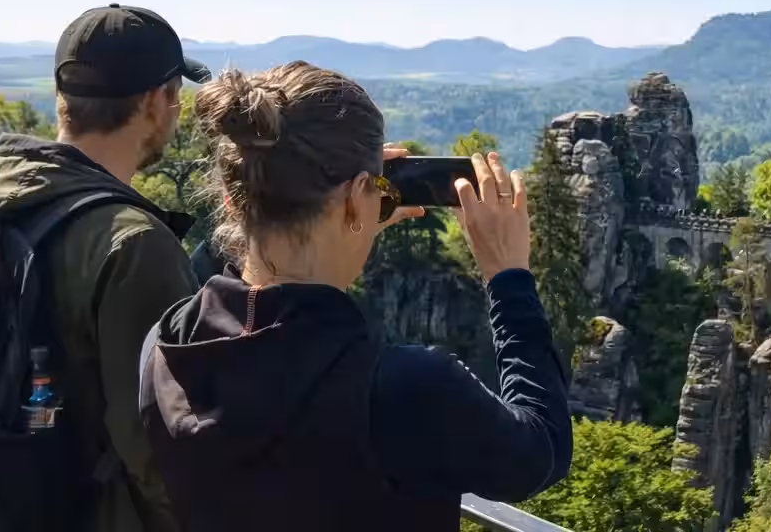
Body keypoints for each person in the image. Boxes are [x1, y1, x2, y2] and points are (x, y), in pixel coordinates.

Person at [138, 62, 572, 531]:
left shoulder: (168, 346)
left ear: (230, 197)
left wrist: (352, 210)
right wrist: (508, 276)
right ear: (356, 196)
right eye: (375, 188)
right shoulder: (407, 388)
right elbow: (540, 451)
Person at [0, 4, 210, 532]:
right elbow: (159, 450)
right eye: (175, 95)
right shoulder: (134, 244)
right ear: (155, 101)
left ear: (62, 97)